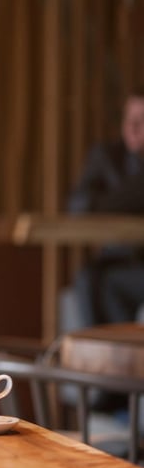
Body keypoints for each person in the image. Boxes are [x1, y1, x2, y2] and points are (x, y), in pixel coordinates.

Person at [66, 86, 144, 328]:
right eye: (128, 119)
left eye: (141, 121)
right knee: (86, 279)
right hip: (113, 259)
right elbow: (76, 205)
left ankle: (113, 359)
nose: (132, 127)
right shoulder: (107, 156)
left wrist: (104, 203)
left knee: (108, 287)